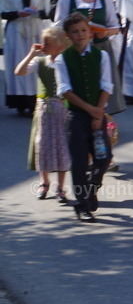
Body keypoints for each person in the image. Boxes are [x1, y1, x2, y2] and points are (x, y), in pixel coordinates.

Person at [53, 13, 112, 222]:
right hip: (76, 116)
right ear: (68, 35)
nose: (80, 35)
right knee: (78, 162)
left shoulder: (101, 56)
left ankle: (92, 186)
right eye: (75, 32)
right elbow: (65, 90)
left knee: (103, 157)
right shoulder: (63, 59)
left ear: (90, 32)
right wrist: (90, 110)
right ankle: (82, 205)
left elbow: (106, 85)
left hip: (97, 113)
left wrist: (98, 111)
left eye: (83, 30)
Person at [53, 0, 125, 117]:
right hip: (75, 51)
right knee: (80, 90)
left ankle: (103, 125)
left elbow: (115, 25)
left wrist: (105, 32)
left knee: (102, 90)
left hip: (101, 49)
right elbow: (58, 27)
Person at [14, 27, 71, 202]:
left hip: (62, 110)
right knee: (43, 146)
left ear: (60, 46)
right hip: (44, 111)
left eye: (47, 43)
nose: (43, 46)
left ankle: (61, 186)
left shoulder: (65, 63)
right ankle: (44, 181)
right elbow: (19, 71)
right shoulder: (40, 62)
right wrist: (31, 54)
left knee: (62, 148)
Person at [2, 0, 50, 115]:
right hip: (16, 31)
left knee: (34, 65)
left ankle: (34, 101)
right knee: (17, 64)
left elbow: (47, 12)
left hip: (34, 30)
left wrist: (37, 11)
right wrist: (18, 13)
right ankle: (20, 102)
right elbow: (4, 13)